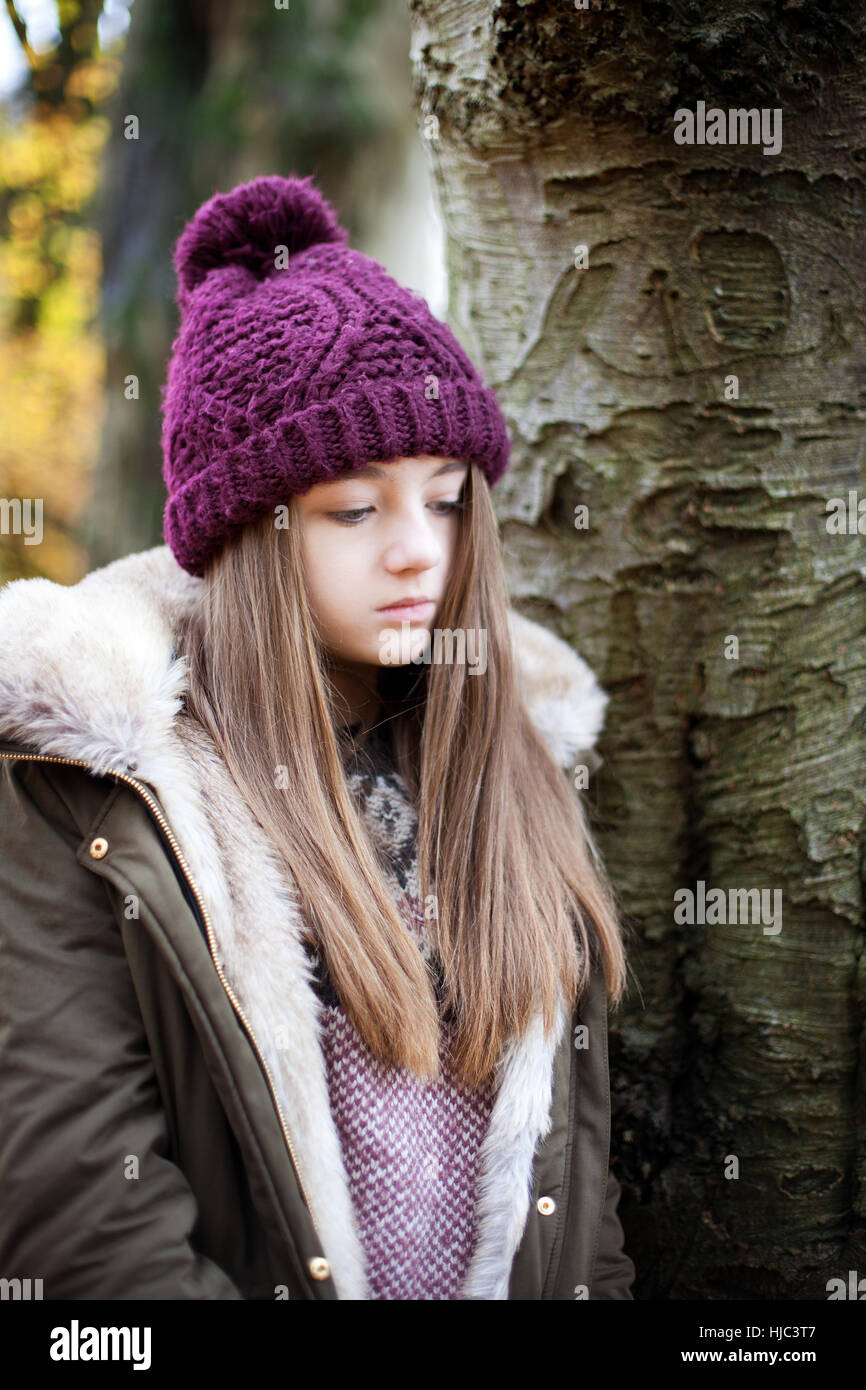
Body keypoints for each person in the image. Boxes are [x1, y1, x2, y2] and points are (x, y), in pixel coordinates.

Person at [0, 173, 636, 1300]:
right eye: (355, 508)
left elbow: (578, 1210)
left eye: (445, 498)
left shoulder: (515, 764)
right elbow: (91, 1238)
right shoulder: (99, 792)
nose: (415, 552)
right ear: (250, 530)